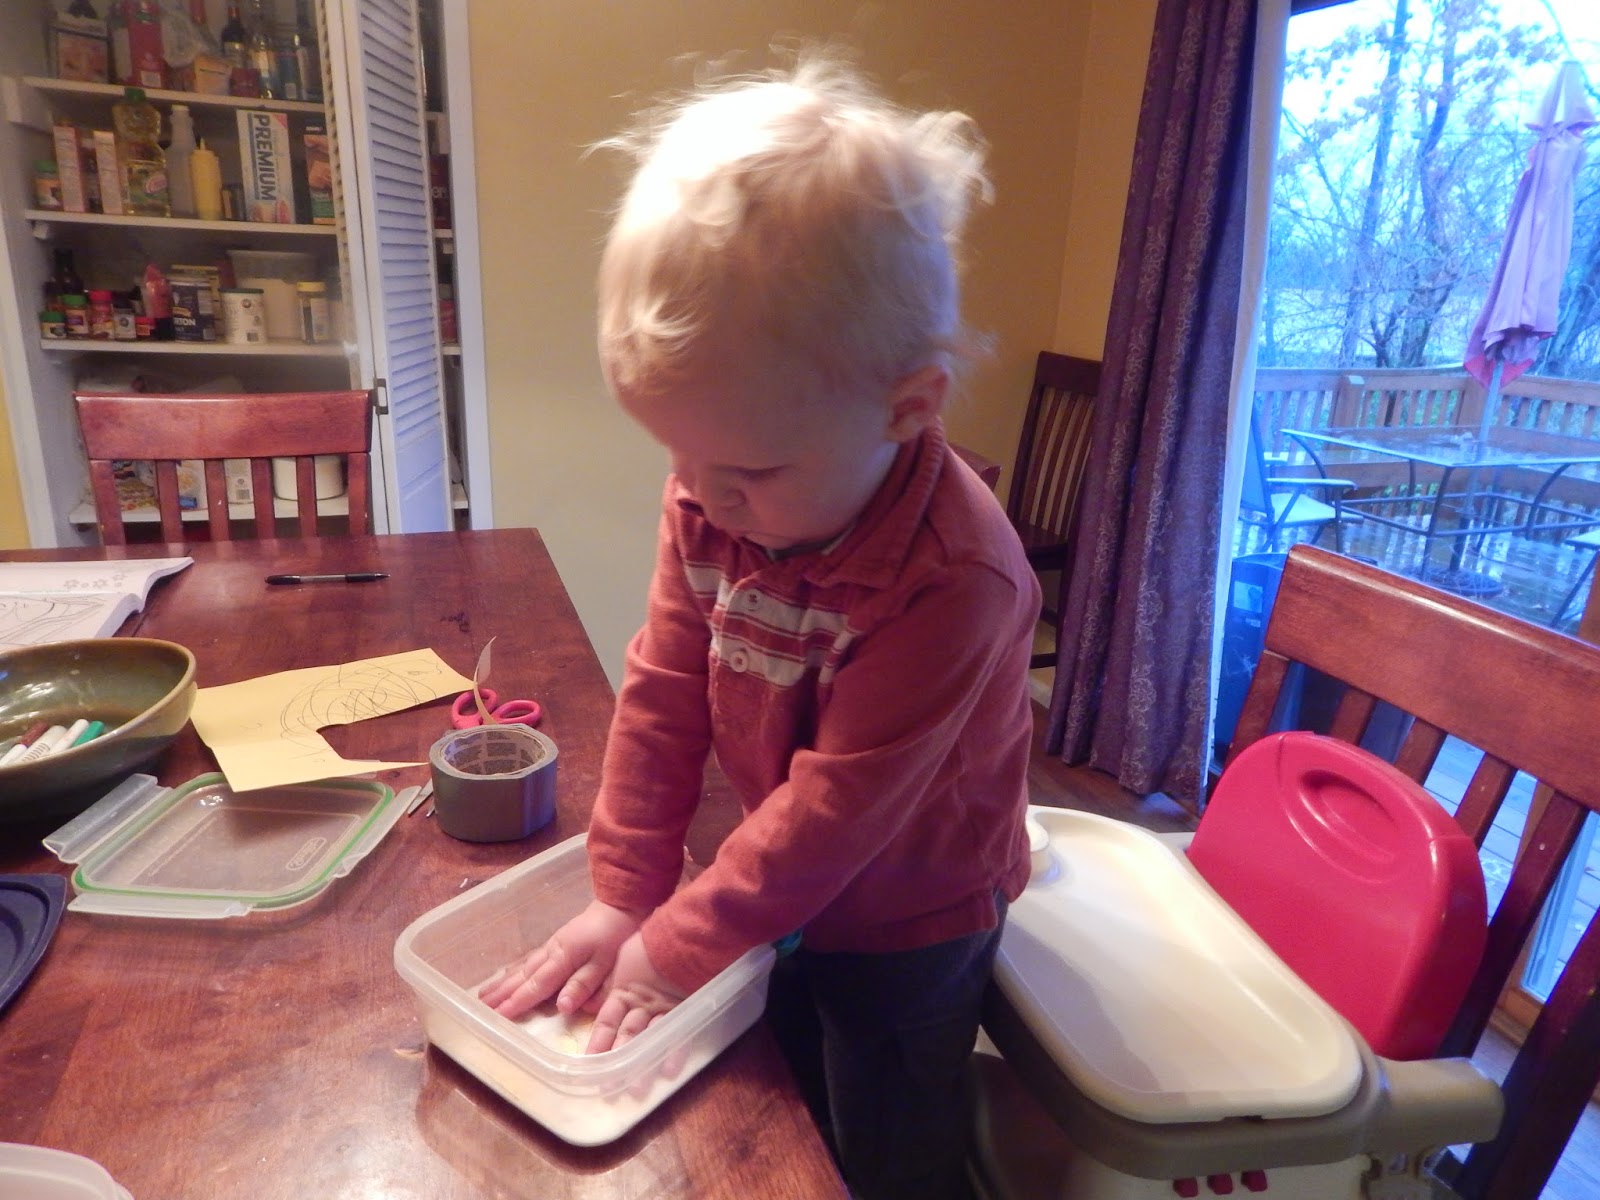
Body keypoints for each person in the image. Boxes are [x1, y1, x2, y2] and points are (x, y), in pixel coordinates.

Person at [479, 55, 1040, 1200]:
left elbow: (838, 812)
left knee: (885, 1123)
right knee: (784, 1077)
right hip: (779, 876)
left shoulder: (955, 577)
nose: (697, 496)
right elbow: (661, 691)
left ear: (907, 407)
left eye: (746, 470)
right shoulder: (715, 490)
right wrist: (626, 892)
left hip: (915, 908)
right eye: (675, 453)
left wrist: (674, 945)